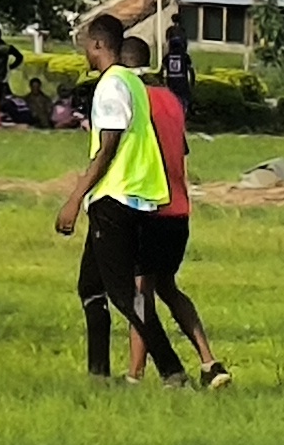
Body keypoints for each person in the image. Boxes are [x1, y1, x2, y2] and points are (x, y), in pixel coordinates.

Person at [60, 20, 229, 386]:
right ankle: (99, 375)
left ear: (100, 45)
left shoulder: (111, 85)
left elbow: (108, 147)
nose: (84, 53)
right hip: (146, 197)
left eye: (87, 46)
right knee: (92, 287)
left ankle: (171, 371)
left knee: (126, 293)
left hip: (115, 195)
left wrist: (74, 198)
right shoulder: (142, 87)